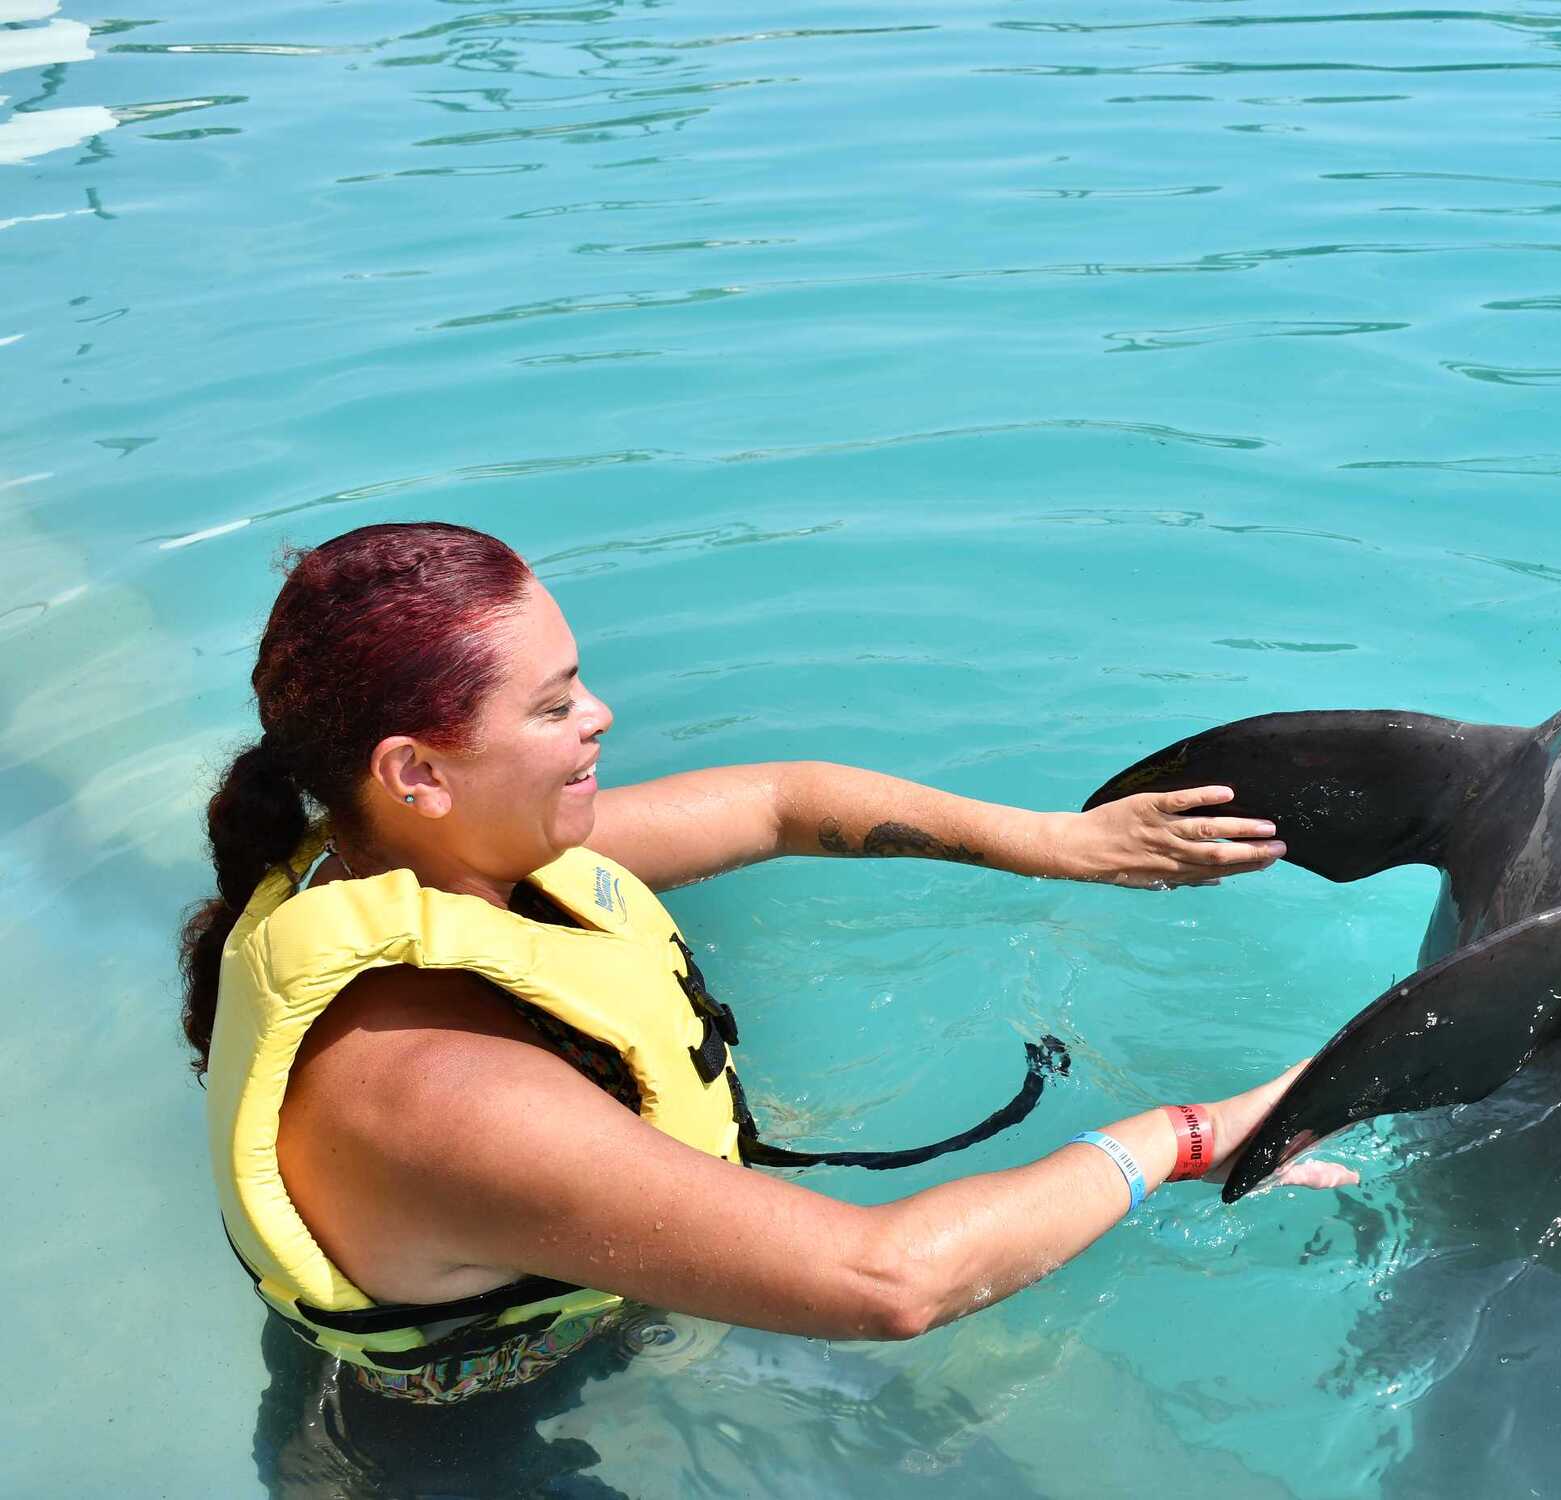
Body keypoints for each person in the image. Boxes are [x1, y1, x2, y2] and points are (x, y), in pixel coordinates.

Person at [181, 521, 1354, 1436]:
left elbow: (779, 802)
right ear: (417, 772)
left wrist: (1064, 843)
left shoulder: (426, 859)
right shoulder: (436, 1092)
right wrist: (1185, 1137)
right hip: (503, 1441)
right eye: (552, 706)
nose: (600, 716)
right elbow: (890, 1284)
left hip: (524, 1294)